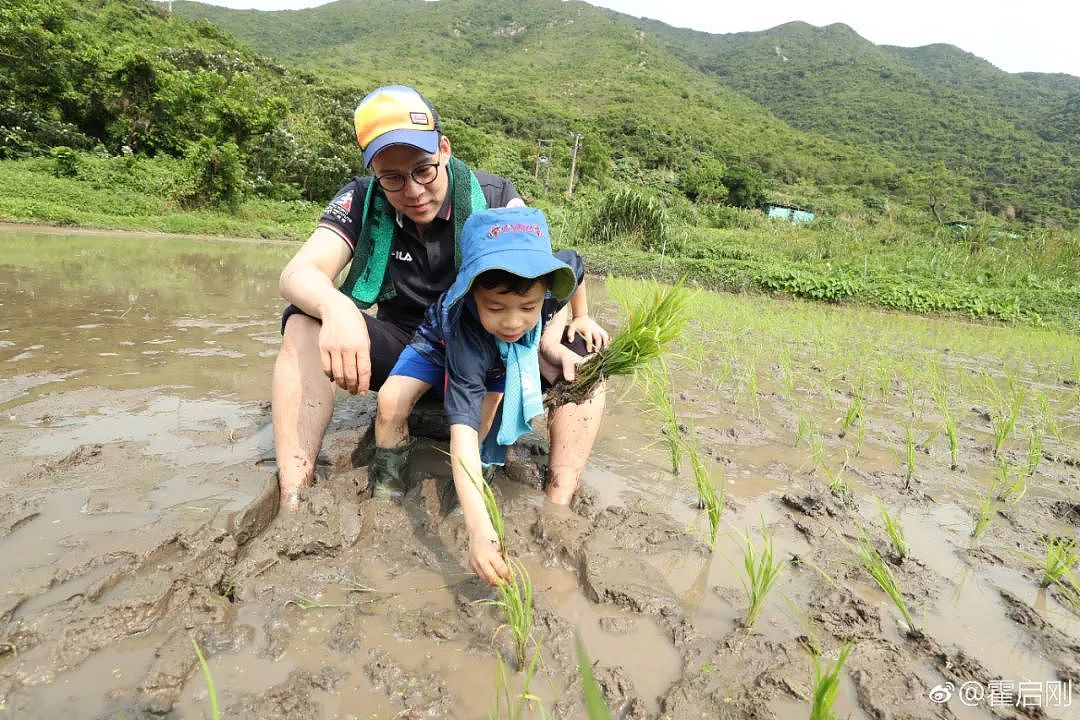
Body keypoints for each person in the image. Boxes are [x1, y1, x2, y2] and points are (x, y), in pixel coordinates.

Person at [273, 84, 527, 513]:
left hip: (479, 354)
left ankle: (559, 500)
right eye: (392, 177)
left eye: (424, 170)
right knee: (303, 319)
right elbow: (298, 273)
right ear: (374, 173)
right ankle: (293, 495)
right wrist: (337, 307)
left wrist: (571, 323)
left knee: (581, 349)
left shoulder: (497, 200)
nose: (412, 190)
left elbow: (532, 284)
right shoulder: (360, 198)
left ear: (444, 150)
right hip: (403, 354)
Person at [372, 207, 608, 586]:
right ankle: (387, 486)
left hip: (498, 359)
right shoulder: (467, 334)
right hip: (437, 343)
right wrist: (480, 533)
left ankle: (476, 483)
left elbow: (575, 265)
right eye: (495, 307)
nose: (513, 322)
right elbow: (459, 435)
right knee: (389, 404)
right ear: (471, 293)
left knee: (486, 420)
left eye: (528, 308)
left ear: (545, 289)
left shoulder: (547, 282)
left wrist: (581, 315)